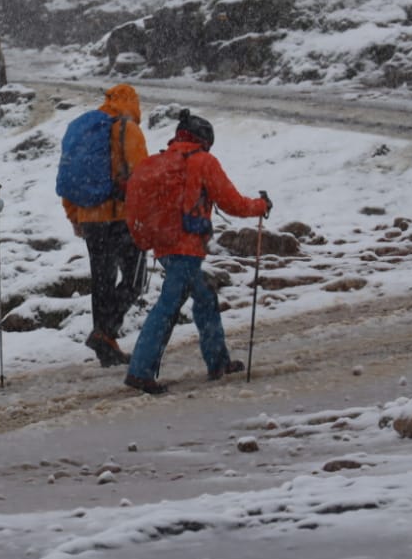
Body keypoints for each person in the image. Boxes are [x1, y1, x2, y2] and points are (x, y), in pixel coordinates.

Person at [123, 112, 271, 395]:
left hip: (164, 244)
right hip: (187, 247)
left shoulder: (161, 161)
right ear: (204, 139)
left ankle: (218, 362)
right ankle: (140, 371)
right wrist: (260, 206)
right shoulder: (203, 161)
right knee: (167, 306)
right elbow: (233, 203)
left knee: (204, 297)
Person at [60, 83, 149, 367]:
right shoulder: (128, 129)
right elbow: (142, 177)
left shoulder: (83, 129)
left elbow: (69, 175)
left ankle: (106, 348)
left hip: (90, 219)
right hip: (120, 216)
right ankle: (105, 333)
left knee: (102, 282)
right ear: (132, 102)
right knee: (135, 280)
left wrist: (74, 215)